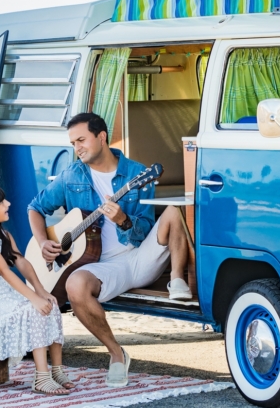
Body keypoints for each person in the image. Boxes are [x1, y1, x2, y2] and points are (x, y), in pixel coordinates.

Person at [27, 112, 191, 387]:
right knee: (75, 285)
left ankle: (177, 279)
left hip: (138, 256)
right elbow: (35, 207)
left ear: (101, 137)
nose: (77, 147)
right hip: (101, 264)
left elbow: (146, 227)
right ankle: (117, 354)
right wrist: (43, 241)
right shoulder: (72, 176)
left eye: (81, 140)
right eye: (73, 142)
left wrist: (123, 220)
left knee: (174, 212)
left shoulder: (138, 174)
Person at [0, 182, 73, 395]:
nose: (8, 204)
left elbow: (21, 262)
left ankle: (56, 371)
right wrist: (33, 298)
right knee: (35, 309)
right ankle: (41, 377)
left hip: (5, 290)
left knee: (51, 304)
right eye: (1, 202)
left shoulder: (4, 235)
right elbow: (4, 271)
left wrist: (41, 290)